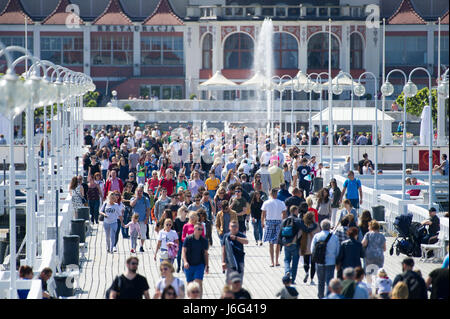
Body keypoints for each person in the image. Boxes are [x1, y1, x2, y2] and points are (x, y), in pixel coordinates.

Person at [310, 219, 340, 299]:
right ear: (330, 227)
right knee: (329, 282)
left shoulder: (317, 236)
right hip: (331, 261)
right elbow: (337, 250)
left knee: (320, 281)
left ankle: (320, 296)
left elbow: (312, 249)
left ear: (321, 226)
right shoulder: (334, 237)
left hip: (319, 261)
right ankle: (328, 297)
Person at [182, 222, 209, 298]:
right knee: (190, 284)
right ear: (194, 229)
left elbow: (206, 253)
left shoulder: (204, 241)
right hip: (189, 265)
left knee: (198, 283)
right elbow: (183, 251)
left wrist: (207, 266)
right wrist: (185, 262)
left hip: (199, 265)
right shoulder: (188, 239)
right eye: (198, 229)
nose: (200, 230)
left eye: (201, 229)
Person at [262, 188, 287, 267]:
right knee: (278, 242)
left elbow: (263, 214)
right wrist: (283, 222)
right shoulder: (281, 203)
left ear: (270, 194)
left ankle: (272, 261)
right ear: (277, 194)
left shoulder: (266, 202)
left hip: (269, 221)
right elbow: (284, 213)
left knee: (271, 243)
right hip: (279, 222)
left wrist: (262, 222)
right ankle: (276, 261)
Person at [278, 206, 303, 284]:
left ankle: (287, 271)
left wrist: (281, 244)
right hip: (295, 244)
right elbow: (305, 229)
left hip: (286, 243)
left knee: (286, 259)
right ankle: (293, 279)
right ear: (295, 211)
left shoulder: (284, 220)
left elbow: (280, 233)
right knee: (295, 261)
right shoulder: (298, 220)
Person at [361, 220, 386, 288]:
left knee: (368, 272)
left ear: (371, 227)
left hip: (369, 256)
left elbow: (363, 243)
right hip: (379, 256)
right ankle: (378, 287)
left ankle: (369, 287)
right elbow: (384, 248)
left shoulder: (368, 234)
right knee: (378, 272)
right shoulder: (382, 236)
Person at [130, 185, 151, 252]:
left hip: (143, 219)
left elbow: (148, 209)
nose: (139, 192)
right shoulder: (133, 198)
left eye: (141, 191)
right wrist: (136, 198)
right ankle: (133, 247)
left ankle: (141, 246)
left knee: (142, 234)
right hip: (134, 220)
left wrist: (147, 218)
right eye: (138, 191)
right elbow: (131, 204)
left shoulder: (146, 199)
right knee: (134, 234)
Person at [174, 206, 188, 272]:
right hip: (178, 239)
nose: (186, 213)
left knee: (184, 254)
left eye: (186, 211)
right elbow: (175, 229)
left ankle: (183, 267)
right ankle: (178, 266)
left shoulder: (187, 220)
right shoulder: (177, 220)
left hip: (185, 239)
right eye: (185, 211)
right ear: (181, 211)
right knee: (179, 254)